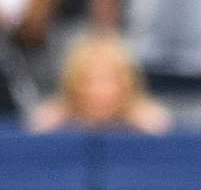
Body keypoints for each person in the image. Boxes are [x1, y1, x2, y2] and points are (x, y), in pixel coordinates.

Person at [27, 32, 171, 136]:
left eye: (109, 80)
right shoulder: (50, 120)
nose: (98, 91)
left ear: (128, 83)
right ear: (72, 83)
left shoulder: (149, 122)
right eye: (88, 80)